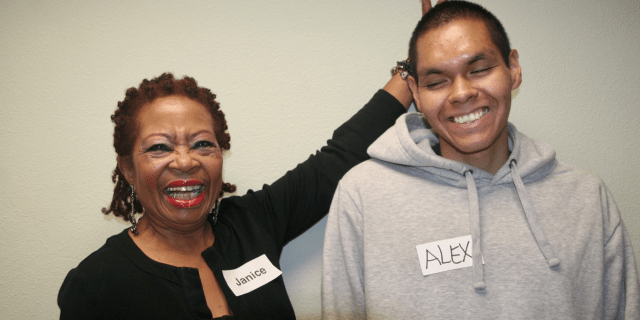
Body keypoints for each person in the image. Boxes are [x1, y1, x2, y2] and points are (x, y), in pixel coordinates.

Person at [321, 1, 640, 319]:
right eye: (436, 82)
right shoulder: (363, 195)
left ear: (513, 68)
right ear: (416, 93)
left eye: (479, 69)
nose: (461, 93)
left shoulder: (587, 198)